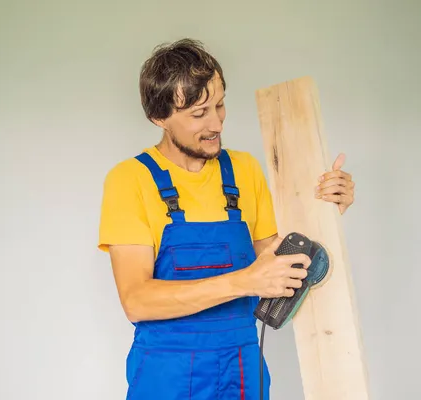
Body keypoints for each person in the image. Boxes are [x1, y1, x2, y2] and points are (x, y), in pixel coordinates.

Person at [97, 38, 355, 400]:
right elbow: (137, 300)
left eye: (220, 105)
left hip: (243, 366)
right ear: (159, 117)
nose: (216, 123)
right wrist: (244, 282)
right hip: (166, 371)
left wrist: (325, 208)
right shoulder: (130, 180)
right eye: (199, 113)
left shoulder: (244, 170)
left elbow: (282, 266)